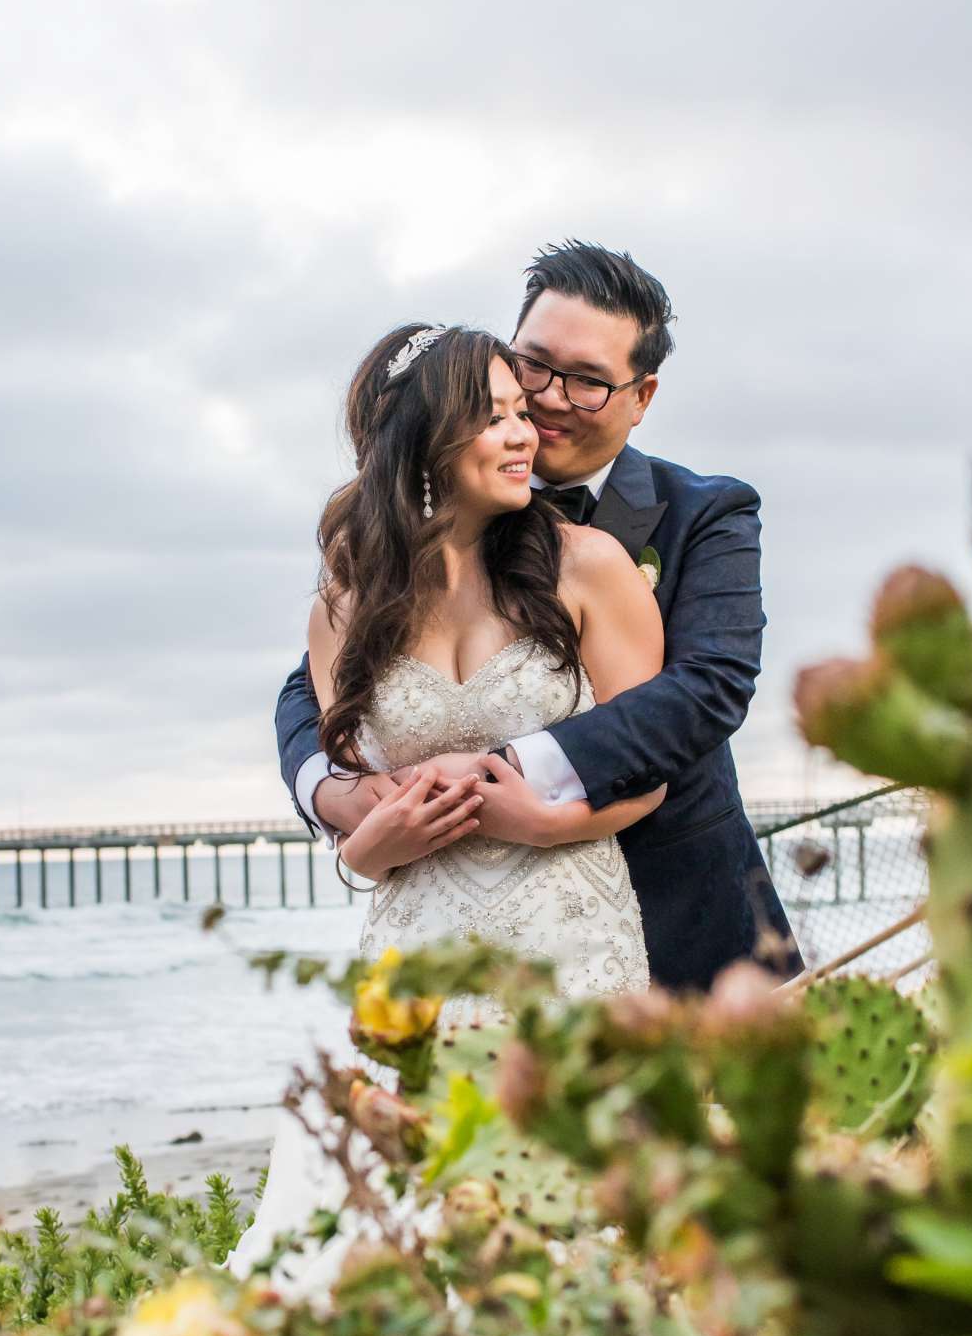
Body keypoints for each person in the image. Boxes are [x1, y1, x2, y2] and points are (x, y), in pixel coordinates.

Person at [228, 319, 661, 1285]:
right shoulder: (346, 599)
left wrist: (546, 818)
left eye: (523, 414)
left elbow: (648, 770)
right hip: (416, 950)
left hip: (569, 938)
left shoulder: (588, 567)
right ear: (425, 444)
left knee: (571, 1227)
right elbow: (353, 798)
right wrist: (366, 849)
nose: (525, 437)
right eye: (495, 418)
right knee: (403, 1245)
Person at [277, 242, 801, 992]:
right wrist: (335, 798)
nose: (549, 400)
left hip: (672, 922)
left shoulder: (705, 513)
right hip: (440, 941)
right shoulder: (390, 565)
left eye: (588, 381)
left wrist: (506, 779)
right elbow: (311, 689)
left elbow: (707, 689)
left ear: (642, 396)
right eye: (534, 368)